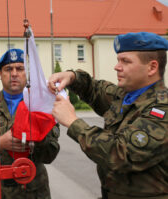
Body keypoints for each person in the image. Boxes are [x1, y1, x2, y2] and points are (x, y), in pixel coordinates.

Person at [48, 32, 168, 199]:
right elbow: (94, 88)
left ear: (152, 67)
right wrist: (72, 77)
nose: (117, 66)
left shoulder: (161, 109)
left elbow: (121, 154)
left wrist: (73, 122)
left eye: (126, 61)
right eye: (118, 60)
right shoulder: (126, 95)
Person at [0, 48, 60, 199]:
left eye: (20, 69)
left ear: (27, 73)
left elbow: (50, 155)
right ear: (0, 74)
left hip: (33, 192)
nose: (14, 73)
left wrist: (37, 138)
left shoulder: (40, 106)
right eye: (8, 69)